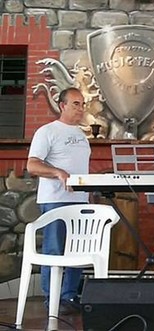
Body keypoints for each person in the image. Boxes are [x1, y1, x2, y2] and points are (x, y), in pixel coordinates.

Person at [27, 87, 90, 315]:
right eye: (75, 103)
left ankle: (69, 296)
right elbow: (32, 165)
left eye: (82, 104)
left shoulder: (83, 135)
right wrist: (58, 173)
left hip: (79, 202)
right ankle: (51, 298)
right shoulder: (47, 131)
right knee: (54, 250)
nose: (80, 108)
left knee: (78, 251)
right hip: (55, 201)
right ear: (62, 105)